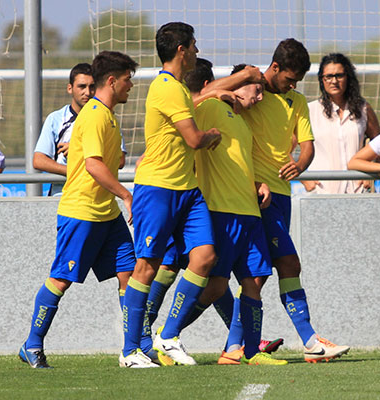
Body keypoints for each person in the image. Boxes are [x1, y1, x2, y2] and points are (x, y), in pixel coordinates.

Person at [204, 38, 350, 363]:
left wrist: (300, 164)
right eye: (289, 78)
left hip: (283, 194)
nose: (293, 84)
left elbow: (307, 144)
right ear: (275, 68)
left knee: (255, 276)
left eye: (297, 81)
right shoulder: (251, 91)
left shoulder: (295, 100)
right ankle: (310, 341)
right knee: (287, 263)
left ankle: (232, 348)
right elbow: (210, 96)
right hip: (258, 194)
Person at [18, 51, 143, 368]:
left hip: (106, 213)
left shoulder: (108, 116)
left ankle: (133, 349)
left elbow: (110, 162)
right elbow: (93, 166)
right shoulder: (95, 116)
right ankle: (32, 344)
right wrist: (126, 196)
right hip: (82, 212)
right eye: (128, 79)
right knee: (61, 279)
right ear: (113, 81)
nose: (132, 86)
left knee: (130, 273)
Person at [168, 61, 287, 365]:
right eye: (255, 89)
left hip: (249, 211)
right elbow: (195, 101)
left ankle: (248, 351)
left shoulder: (242, 121)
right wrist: (223, 89)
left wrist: (257, 183)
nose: (259, 97)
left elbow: (237, 162)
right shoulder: (210, 105)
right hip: (221, 211)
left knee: (255, 279)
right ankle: (166, 335)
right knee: (215, 287)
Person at [121, 22, 221, 367]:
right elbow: (194, 139)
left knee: (205, 256)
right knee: (147, 266)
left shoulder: (178, 87)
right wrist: (212, 135)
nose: (196, 51)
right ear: (182, 49)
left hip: (187, 189)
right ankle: (131, 349)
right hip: (159, 189)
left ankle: (168, 335)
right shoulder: (165, 87)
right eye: (194, 45)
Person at [303, 53, 380, 194]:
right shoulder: (310, 110)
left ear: (348, 77)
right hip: (322, 192)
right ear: (322, 79)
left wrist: (371, 173)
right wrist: (304, 179)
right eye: (328, 76)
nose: (334, 81)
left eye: (339, 75)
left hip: (357, 191)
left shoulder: (363, 109)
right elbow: (284, 150)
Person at [33, 63, 96, 196]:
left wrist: (79, 149)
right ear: (70, 88)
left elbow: (120, 160)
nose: (87, 92)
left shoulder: (106, 117)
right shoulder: (56, 118)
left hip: (97, 197)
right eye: (82, 86)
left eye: (92, 87)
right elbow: (38, 160)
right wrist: (74, 171)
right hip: (62, 197)